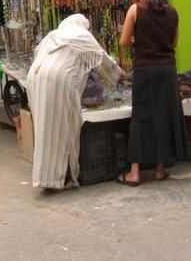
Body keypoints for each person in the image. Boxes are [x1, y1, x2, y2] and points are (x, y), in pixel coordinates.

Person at [26, 14, 123, 191]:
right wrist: (118, 75)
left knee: (44, 131)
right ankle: (59, 179)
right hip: (57, 79)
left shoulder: (53, 35)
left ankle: (45, 177)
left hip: (35, 78)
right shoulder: (81, 34)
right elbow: (102, 60)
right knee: (63, 130)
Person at [118, 0, 188, 186]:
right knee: (163, 117)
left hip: (145, 69)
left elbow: (123, 42)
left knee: (141, 118)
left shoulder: (135, 10)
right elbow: (174, 43)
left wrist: (137, 40)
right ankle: (159, 169)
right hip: (167, 69)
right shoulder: (173, 12)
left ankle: (134, 172)